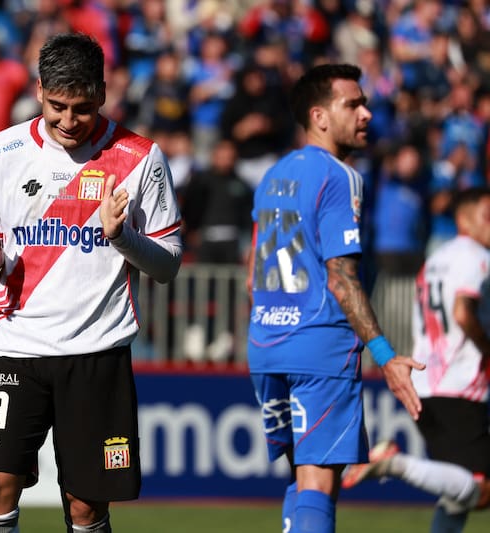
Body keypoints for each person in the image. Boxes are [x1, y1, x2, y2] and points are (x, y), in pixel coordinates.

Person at [0, 32, 182, 533]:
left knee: (85, 505)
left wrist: (123, 239)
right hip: (18, 345)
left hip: (97, 351)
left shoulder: (140, 157)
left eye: (82, 107)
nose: (69, 121)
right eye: (57, 107)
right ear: (38, 91)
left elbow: (167, 265)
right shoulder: (1, 150)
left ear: (102, 93)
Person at [246, 63, 425, 533]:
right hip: (319, 346)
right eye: (354, 104)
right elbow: (342, 278)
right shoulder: (342, 176)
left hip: (267, 347)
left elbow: (251, 276)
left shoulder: (272, 176)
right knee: (321, 484)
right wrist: (385, 356)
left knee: (304, 479)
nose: (367, 114)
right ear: (320, 116)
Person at [343, 187, 490, 532]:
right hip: (459, 384)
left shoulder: (435, 259)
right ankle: (395, 464)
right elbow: (463, 313)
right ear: (463, 218)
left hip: (425, 383)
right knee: (480, 489)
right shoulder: (477, 257)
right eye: (487, 215)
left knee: (457, 491)